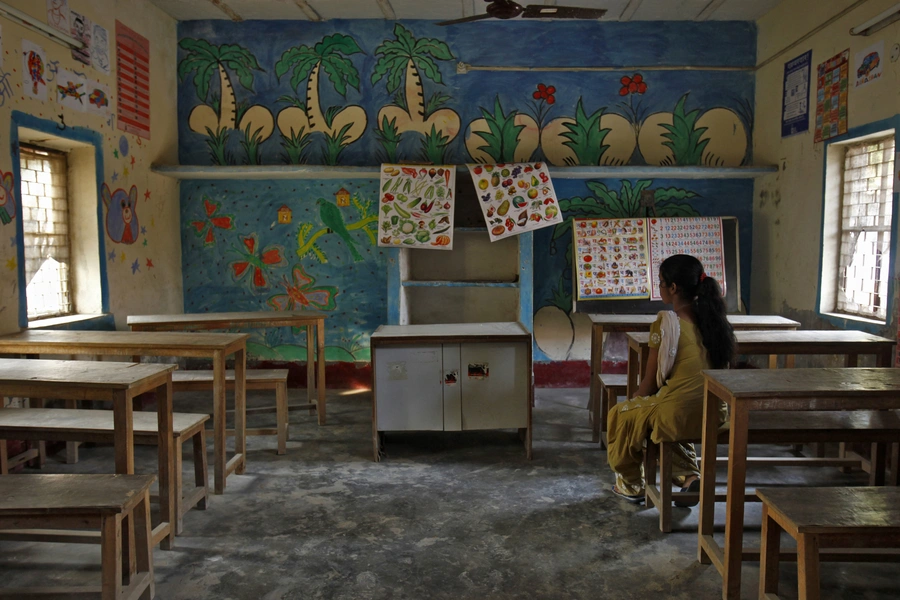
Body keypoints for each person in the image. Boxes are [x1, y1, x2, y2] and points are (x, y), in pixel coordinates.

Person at [607, 254, 735, 504]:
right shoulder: (715, 322)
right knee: (663, 415)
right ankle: (688, 477)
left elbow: (650, 383)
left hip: (680, 413)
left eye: (662, 283)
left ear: (673, 288)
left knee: (623, 415)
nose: (660, 288)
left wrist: (635, 401)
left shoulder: (666, 323)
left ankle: (632, 485)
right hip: (716, 413)